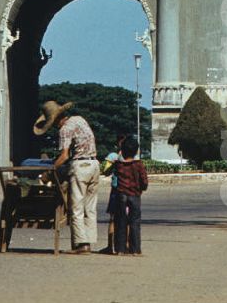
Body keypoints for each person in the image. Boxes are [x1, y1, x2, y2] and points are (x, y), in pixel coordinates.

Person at [33, 99, 99, 254]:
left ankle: (82, 244)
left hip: (80, 167)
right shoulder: (79, 119)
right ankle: (88, 242)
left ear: (55, 120)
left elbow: (64, 156)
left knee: (76, 208)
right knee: (90, 208)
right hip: (94, 164)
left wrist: (49, 171)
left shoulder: (64, 129)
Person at [113, 134, 148, 256]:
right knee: (134, 222)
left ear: (122, 151)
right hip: (134, 194)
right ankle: (136, 250)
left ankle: (120, 249)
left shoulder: (118, 165)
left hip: (121, 194)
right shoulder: (138, 165)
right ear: (136, 151)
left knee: (120, 222)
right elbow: (144, 181)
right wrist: (142, 188)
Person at [100, 137, 124, 254]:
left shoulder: (113, 156)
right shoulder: (134, 157)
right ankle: (126, 246)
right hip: (129, 190)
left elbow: (106, 171)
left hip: (116, 189)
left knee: (113, 219)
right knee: (126, 218)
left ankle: (110, 246)